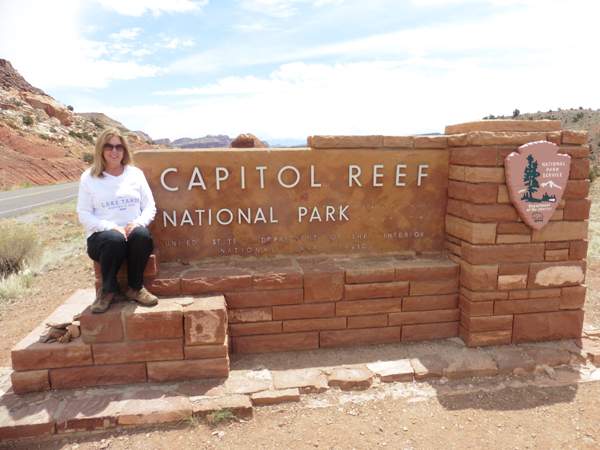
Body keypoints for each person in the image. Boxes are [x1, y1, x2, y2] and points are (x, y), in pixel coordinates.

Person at [77, 128, 158, 313]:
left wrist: (138, 223)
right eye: (109, 146)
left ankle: (135, 288)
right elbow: (84, 214)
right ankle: (107, 290)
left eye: (119, 147)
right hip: (102, 239)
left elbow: (149, 206)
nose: (114, 151)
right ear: (101, 150)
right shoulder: (89, 178)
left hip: (132, 235)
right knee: (114, 239)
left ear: (124, 150)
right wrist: (110, 227)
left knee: (142, 235)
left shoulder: (135, 174)